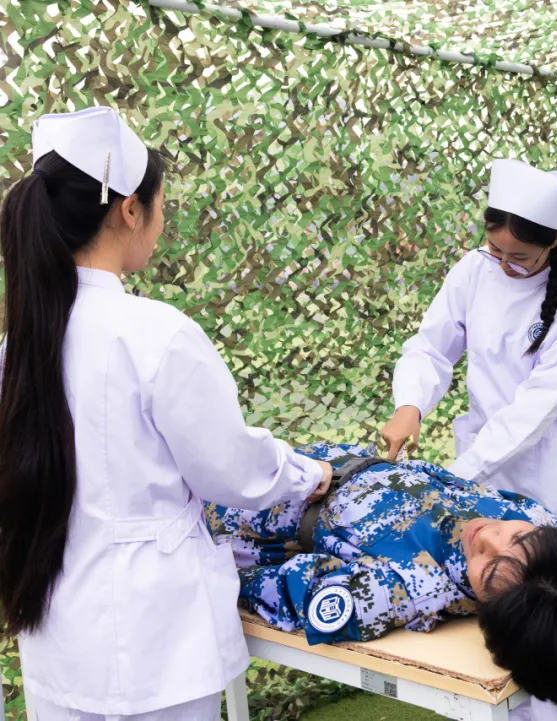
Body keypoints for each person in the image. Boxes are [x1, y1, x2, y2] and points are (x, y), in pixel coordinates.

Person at [0, 108, 334, 720]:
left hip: (58, 640)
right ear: (131, 210)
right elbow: (231, 470)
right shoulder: (156, 334)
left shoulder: (15, 349)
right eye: (160, 205)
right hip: (159, 648)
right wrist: (306, 474)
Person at [381, 158, 557, 719]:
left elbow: (535, 406)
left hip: (551, 471)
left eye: (521, 257)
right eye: (496, 250)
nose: (505, 264)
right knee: (497, 613)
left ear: (554, 241)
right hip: (485, 470)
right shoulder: (473, 270)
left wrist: (458, 475)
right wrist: (410, 404)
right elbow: (430, 348)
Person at [206, 442, 557, 713]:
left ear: (491, 610)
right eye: (517, 538)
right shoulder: (539, 522)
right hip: (299, 458)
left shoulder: (403, 592)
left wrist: (210, 564)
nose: (488, 536)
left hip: (245, 505)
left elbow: (283, 591)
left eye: (489, 570)